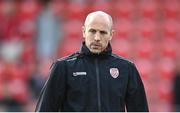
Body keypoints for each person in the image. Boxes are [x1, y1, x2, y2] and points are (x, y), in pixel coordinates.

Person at [35, 11, 149, 112]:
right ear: (84, 32)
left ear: (111, 35)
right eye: (92, 31)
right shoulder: (63, 67)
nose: (97, 38)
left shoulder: (127, 69)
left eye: (103, 32)